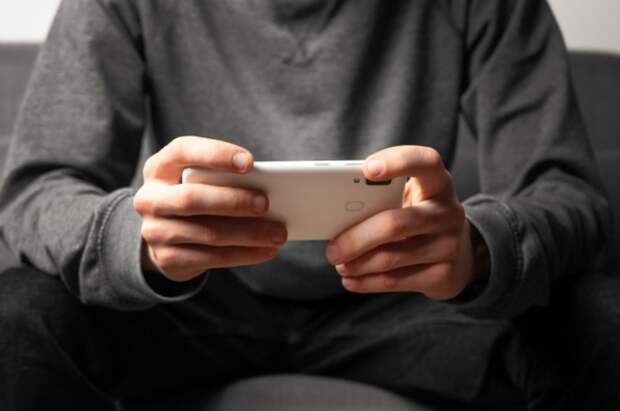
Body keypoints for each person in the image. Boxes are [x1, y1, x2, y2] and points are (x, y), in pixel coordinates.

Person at [0, 0, 618, 409]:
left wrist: (476, 250)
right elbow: (37, 189)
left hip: (406, 300)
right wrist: (135, 240)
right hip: (191, 304)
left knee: (601, 317)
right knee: (20, 313)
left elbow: (569, 193)